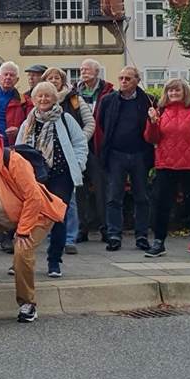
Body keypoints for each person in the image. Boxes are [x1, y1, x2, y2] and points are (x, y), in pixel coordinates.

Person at [0, 120, 66, 321]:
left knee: (22, 251)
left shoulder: (15, 162)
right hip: (1, 216)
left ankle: (28, 304)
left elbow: (33, 197)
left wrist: (24, 230)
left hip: (35, 216)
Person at [16, 82, 88, 277]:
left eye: (47, 96)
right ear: (34, 99)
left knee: (57, 218)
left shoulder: (65, 119)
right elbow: (19, 149)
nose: (43, 99)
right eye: (39, 96)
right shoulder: (28, 122)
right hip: (35, 177)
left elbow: (80, 143)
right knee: (28, 218)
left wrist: (79, 163)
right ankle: (21, 258)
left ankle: (54, 261)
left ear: (55, 98)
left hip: (61, 176)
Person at [144, 79, 190, 260]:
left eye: (177, 90)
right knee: (162, 205)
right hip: (166, 165)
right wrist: (152, 122)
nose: (174, 93)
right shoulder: (160, 111)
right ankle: (159, 242)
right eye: (170, 91)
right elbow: (152, 138)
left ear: (185, 92)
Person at [98, 66, 155, 252]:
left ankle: (141, 236)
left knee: (142, 197)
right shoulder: (108, 100)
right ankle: (114, 235)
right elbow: (101, 123)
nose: (123, 81)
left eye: (128, 78)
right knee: (114, 197)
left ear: (137, 81)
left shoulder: (148, 101)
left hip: (140, 154)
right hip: (116, 154)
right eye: (121, 78)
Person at [43, 67, 95, 254]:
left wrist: (78, 140)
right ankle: (51, 236)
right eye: (50, 78)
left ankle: (70, 238)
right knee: (46, 200)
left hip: (67, 158)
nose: (54, 80)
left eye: (57, 77)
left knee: (69, 201)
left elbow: (90, 123)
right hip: (46, 162)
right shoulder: (39, 101)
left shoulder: (74, 99)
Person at [76, 58, 114, 244]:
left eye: (88, 69)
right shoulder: (75, 93)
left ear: (97, 72)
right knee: (79, 189)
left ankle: (105, 228)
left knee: (102, 190)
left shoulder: (108, 92)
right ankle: (81, 228)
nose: (84, 72)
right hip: (80, 145)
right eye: (82, 69)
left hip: (99, 146)